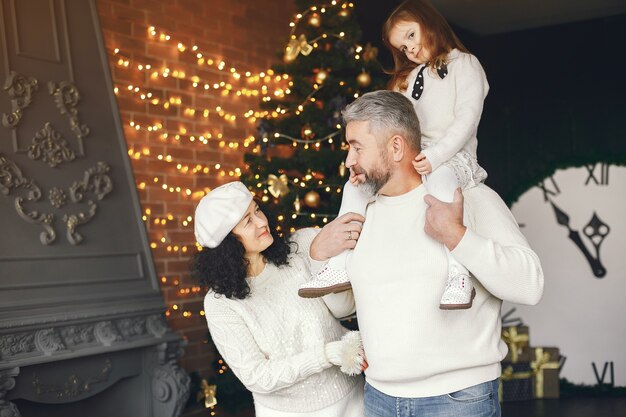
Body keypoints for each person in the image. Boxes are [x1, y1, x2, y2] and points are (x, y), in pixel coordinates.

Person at [309, 90, 544, 417]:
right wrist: (321, 254)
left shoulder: (468, 199)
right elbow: (344, 306)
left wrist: (456, 236)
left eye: (357, 147)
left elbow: (530, 286)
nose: (349, 161)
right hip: (379, 399)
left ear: (395, 147)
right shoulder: (363, 212)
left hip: (458, 401)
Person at [299, 0, 489, 310]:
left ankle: (458, 274)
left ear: (430, 24)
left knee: (440, 178)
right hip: (415, 157)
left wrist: (438, 155)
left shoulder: (465, 65)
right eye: (403, 47)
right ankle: (340, 264)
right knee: (356, 185)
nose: (410, 50)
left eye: (412, 36)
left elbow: (467, 119)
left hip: (453, 157)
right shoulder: (410, 78)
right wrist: (367, 163)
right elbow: (393, 129)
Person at [192, 181, 366, 417]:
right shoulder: (220, 304)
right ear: (227, 244)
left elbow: (346, 306)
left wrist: (318, 258)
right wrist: (325, 355)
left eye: (257, 210)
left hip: (354, 401)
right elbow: (257, 376)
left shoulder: (303, 244)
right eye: (247, 221)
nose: (262, 222)